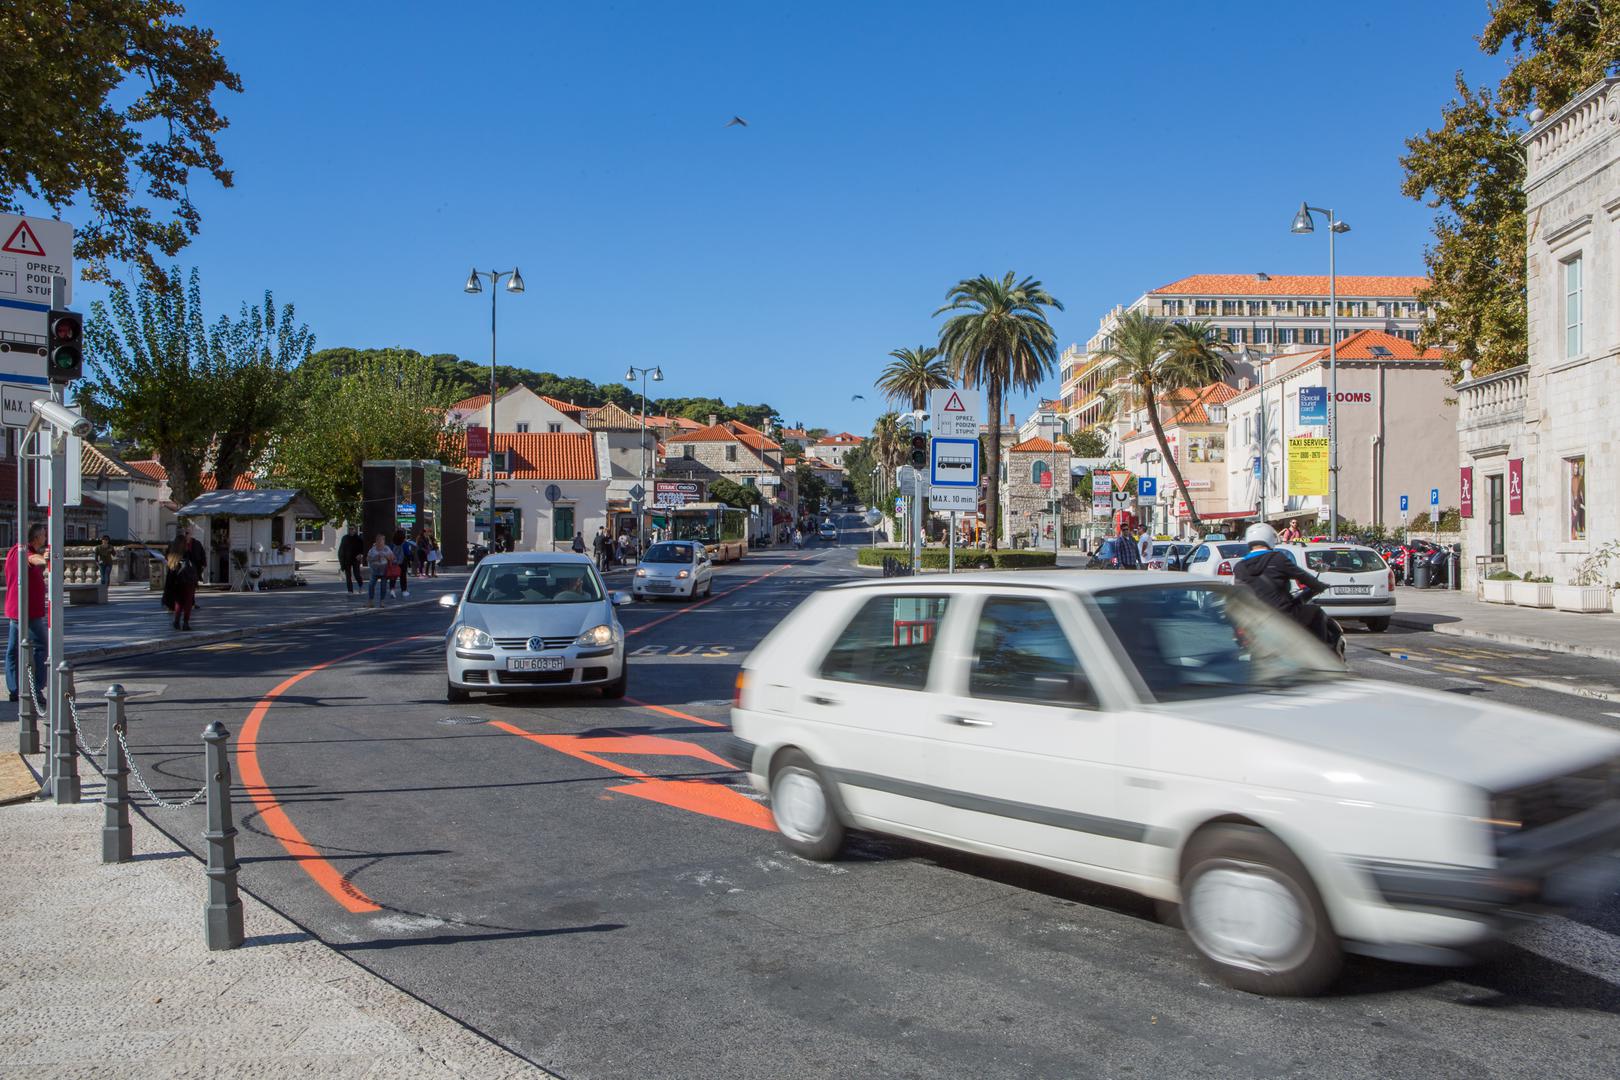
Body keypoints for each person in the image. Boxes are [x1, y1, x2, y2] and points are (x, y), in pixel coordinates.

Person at [1233, 522, 1342, 654]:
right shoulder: (1278, 558)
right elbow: (1302, 576)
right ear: (1270, 539)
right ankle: (1323, 656)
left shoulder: (1240, 567)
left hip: (1254, 618)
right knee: (1316, 612)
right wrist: (1319, 586)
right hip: (1282, 615)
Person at [5, 523, 47, 703]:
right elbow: (33, 559)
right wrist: (46, 559)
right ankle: (36, 689)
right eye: (44, 535)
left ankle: (14, 688)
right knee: (41, 647)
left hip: (15, 609)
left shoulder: (14, 551)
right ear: (36, 538)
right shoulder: (25, 551)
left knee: (13, 651)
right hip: (29, 612)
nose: (45, 538)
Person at [161, 536, 198, 631]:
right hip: (188, 581)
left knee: (179, 602)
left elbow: (171, 572)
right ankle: (185, 623)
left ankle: (176, 621)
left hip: (177, 582)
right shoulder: (188, 553)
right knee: (188, 602)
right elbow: (195, 564)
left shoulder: (172, 556)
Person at [365, 534, 394, 608]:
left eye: (383, 540)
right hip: (374, 570)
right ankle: (371, 601)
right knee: (371, 585)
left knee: (383, 586)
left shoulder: (387, 549)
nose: (381, 542)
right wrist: (375, 557)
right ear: (377, 541)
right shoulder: (372, 549)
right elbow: (367, 559)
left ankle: (382, 602)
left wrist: (386, 556)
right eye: (380, 540)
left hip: (384, 570)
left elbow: (392, 557)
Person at [337, 526, 365, 593]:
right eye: (349, 529)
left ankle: (361, 585)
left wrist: (360, 554)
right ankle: (350, 590)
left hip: (355, 559)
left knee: (357, 574)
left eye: (352, 529)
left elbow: (363, 549)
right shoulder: (345, 538)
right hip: (347, 559)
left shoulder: (358, 538)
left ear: (355, 530)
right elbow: (341, 550)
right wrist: (342, 562)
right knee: (348, 576)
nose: (351, 530)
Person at [390, 528, 412, 599]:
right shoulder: (405, 543)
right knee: (403, 576)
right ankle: (404, 591)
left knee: (393, 576)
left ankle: (392, 590)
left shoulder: (392, 544)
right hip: (403, 562)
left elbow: (389, 552)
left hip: (394, 562)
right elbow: (407, 553)